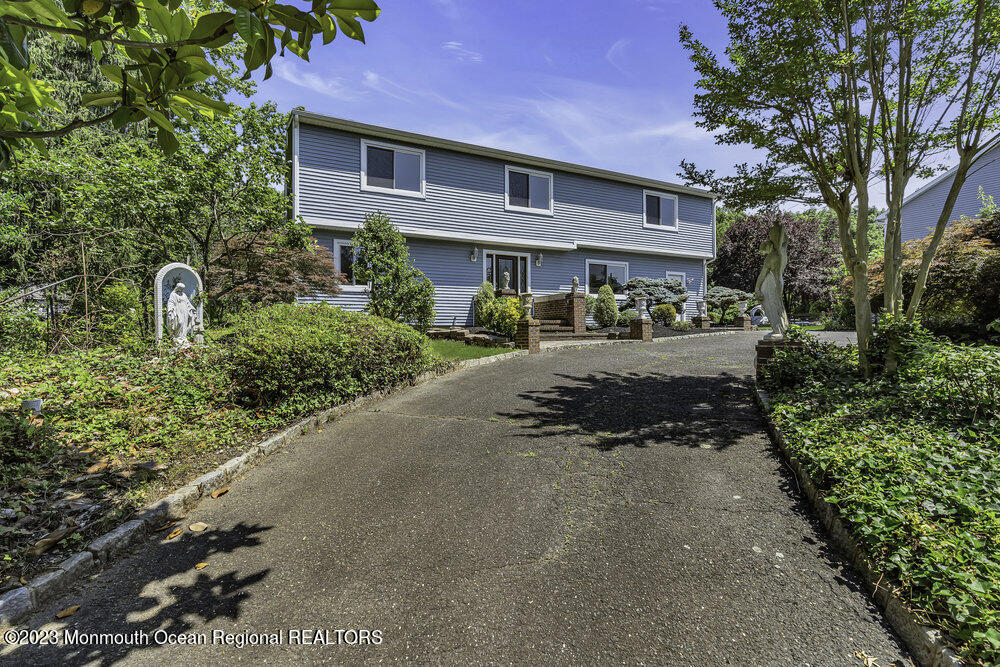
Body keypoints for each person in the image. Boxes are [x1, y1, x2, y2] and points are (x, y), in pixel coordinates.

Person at [755, 220, 790, 338]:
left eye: (765, 250)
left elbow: (762, 274)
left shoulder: (772, 257)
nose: (765, 253)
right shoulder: (782, 252)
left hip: (772, 284)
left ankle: (777, 330)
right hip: (778, 281)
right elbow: (783, 240)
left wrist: (757, 287)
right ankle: (782, 329)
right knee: (778, 305)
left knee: (772, 306)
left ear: (768, 246)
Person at [166, 282, 197, 347]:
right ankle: (177, 338)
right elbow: (170, 302)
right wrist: (170, 309)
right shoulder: (173, 294)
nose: (181, 290)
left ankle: (183, 338)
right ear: (177, 288)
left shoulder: (184, 294)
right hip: (178, 310)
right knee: (180, 322)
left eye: (182, 289)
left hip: (185, 311)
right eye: (180, 288)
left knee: (185, 324)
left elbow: (188, 303)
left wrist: (191, 308)